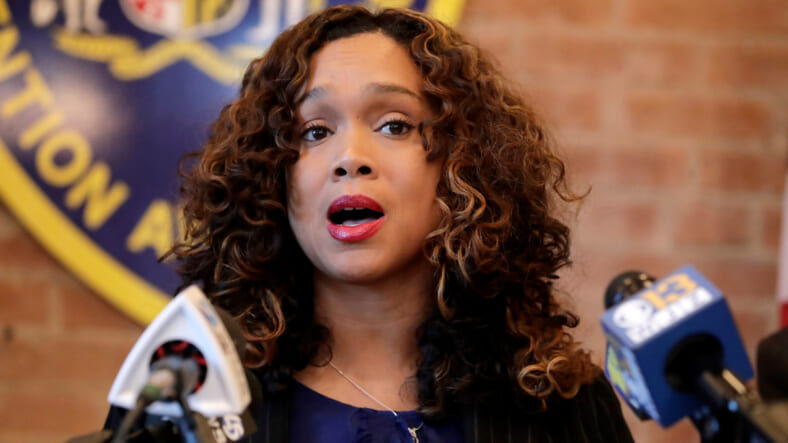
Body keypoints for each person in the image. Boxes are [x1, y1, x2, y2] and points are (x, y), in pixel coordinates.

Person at [111, 5, 635, 443]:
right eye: (315, 132)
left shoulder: (560, 402)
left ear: (463, 167)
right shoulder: (178, 400)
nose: (350, 158)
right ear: (272, 175)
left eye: (394, 125)